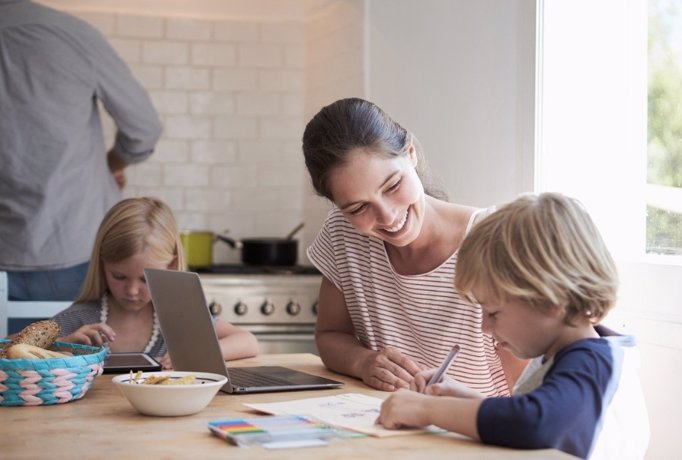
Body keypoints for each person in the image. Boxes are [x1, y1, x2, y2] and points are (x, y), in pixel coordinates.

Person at [378, 192, 650, 459]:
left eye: (493, 313)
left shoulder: (591, 363)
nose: (485, 326)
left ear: (550, 299)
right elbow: (524, 411)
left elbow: (534, 423)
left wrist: (427, 411)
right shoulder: (571, 354)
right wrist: (459, 397)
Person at [302, 97, 526, 395]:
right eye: (358, 208)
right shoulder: (342, 234)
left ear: (411, 154)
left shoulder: (497, 242)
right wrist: (364, 362)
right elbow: (330, 335)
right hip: (389, 428)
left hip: (480, 432)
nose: (387, 216)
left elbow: (529, 397)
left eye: (393, 186)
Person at [0, 0, 163, 302]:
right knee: (86, 349)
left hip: (12, 251)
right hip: (76, 248)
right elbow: (144, 128)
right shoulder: (70, 34)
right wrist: (113, 164)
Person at [51, 197, 259, 368]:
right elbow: (18, 347)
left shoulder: (179, 318)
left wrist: (197, 356)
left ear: (171, 265)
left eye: (145, 279)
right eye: (119, 276)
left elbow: (248, 342)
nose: (132, 291)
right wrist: (61, 348)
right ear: (102, 264)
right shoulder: (81, 319)